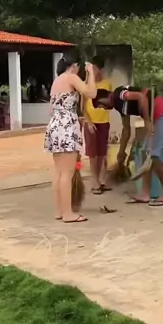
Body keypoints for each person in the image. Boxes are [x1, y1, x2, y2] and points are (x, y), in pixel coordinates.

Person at [94, 85, 163, 205]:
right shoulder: (119, 106)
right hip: (155, 117)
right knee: (144, 152)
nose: (104, 109)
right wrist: (121, 151)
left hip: (162, 114)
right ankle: (145, 193)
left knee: (154, 155)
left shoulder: (118, 95)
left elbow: (141, 97)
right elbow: (126, 129)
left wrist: (146, 120)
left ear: (101, 99)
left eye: (100, 106)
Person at [44, 52, 96, 223]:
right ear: (74, 66)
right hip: (66, 126)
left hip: (55, 125)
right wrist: (91, 73)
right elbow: (91, 93)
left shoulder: (57, 81)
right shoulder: (71, 77)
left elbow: (51, 109)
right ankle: (68, 214)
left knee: (59, 172)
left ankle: (60, 211)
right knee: (67, 172)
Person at [83, 55, 113, 194]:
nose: (93, 71)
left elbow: (110, 103)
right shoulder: (86, 85)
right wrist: (88, 122)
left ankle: (101, 180)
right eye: (91, 69)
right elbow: (82, 107)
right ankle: (94, 181)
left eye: (95, 69)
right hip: (91, 122)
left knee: (102, 153)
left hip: (104, 122)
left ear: (100, 69)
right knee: (92, 154)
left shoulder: (107, 84)